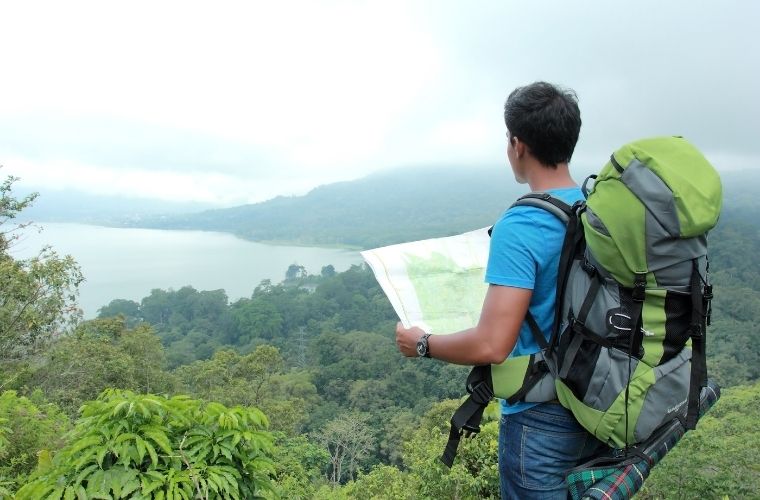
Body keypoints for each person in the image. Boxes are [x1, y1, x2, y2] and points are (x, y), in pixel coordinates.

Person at [396, 81, 602, 499]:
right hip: (599, 404)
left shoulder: (523, 224)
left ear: (517, 144)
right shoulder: (596, 208)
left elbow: (492, 345)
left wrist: (422, 344)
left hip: (541, 422)